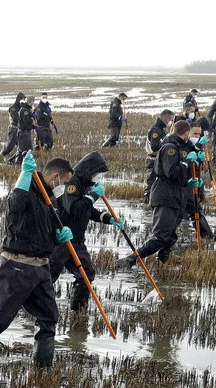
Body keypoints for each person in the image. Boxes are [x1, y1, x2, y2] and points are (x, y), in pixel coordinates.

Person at [0, 151, 72, 368]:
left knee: (48, 317)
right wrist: (24, 175)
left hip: (41, 268)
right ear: (55, 177)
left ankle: (43, 369)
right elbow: (14, 207)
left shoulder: (49, 200)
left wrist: (57, 238)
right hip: (17, 266)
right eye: (65, 183)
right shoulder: (26, 191)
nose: (65, 188)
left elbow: (42, 233)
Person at [118, 120, 200, 268]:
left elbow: (178, 176)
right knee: (161, 237)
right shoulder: (170, 148)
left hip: (174, 196)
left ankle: (163, 263)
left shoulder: (176, 146)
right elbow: (171, 172)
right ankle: (131, 259)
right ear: (186, 133)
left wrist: (188, 182)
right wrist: (186, 162)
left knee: (170, 236)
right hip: (165, 197)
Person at [50, 151, 125, 313]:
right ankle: (33, 309)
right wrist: (93, 196)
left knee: (86, 274)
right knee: (48, 276)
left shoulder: (85, 185)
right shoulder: (72, 184)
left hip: (77, 241)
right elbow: (75, 209)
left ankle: (77, 311)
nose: (97, 177)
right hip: (62, 240)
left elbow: (87, 210)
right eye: (97, 173)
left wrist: (108, 218)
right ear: (90, 170)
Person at [144, 109, 173, 203]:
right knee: (151, 182)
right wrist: (165, 140)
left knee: (156, 182)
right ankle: (147, 200)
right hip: (153, 159)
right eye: (170, 119)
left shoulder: (160, 129)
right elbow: (154, 147)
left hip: (157, 159)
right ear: (166, 118)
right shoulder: (155, 130)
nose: (170, 122)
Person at [0, 92, 25, 161]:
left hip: (20, 129)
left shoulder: (22, 108)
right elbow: (15, 118)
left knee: (21, 145)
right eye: (22, 99)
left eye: (24, 99)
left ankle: (15, 159)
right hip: (14, 128)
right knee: (10, 145)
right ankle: (1, 157)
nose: (22, 101)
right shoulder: (13, 108)